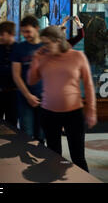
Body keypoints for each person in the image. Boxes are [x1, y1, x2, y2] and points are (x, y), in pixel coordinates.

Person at [27, 26, 97, 172]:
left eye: (47, 43)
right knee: (53, 156)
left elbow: (89, 85)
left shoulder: (77, 56)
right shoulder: (42, 57)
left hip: (74, 113)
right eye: (43, 44)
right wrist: (35, 60)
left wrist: (91, 110)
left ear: (58, 41)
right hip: (49, 113)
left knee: (78, 156)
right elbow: (31, 81)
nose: (44, 47)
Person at [12, 15, 44, 141]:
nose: (25, 35)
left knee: (41, 135)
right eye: (23, 32)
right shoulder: (19, 48)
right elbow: (16, 75)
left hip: (45, 98)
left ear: (36, 28)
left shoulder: (46, 47)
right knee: (26, 133)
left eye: (28, 31)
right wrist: (28, 96)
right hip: (25, 97)